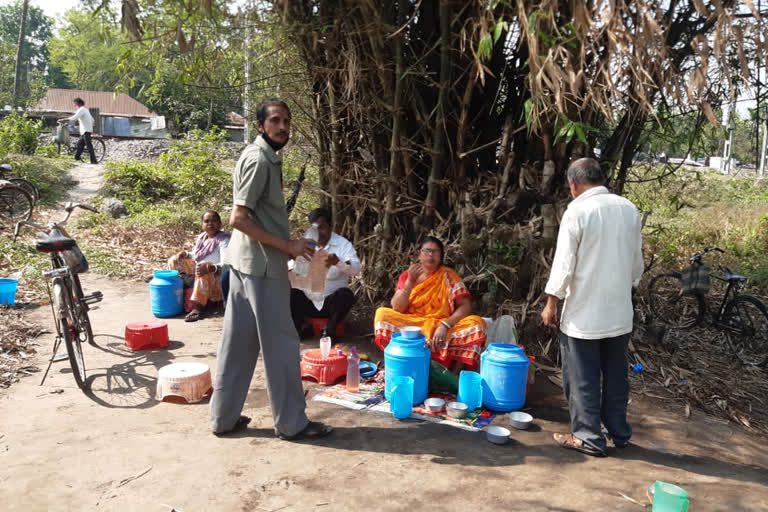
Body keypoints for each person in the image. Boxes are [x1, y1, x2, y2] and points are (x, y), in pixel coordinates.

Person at [209, 97, 333, 440]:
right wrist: (289, 246)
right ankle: (292, 423)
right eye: (275, 121)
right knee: (280, 344)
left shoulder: (263, 156)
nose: (282, 127)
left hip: (243, 264)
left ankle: (223, 418)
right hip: (261, 269)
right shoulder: (260, 160)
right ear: (261, 126)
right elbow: (238, 219)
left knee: (237, 344)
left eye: (286, 121)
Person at [541, 157, 644, 457]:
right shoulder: (628, 208)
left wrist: (551, 303)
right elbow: (636, 262)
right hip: (620, 312)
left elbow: (563, 265)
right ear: (600, 178)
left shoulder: (578, 211)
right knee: (615, 374)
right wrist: (625, 288)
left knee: (582, 376)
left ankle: (587, 437)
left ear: (573, 185)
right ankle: (619, 433)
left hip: (585, 314)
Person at [374, 236, 486, 373]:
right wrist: (409, 281)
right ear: (419, 254)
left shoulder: (449, 276)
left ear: (441, 256)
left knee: (476, 324)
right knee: (381, 314)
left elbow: (466, 306)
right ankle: (397, 365)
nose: (431, 255)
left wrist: (445, 325)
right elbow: (397, 307)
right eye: (427, 251)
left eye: (436, 252)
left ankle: (454, 375)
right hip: (413, 326)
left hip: (441, 327)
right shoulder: (408, 275)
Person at [290, 207, 360, 338]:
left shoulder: (342, 245)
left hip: (331, 305)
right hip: (308, 302)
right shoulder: (307, 244)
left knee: (346, 295)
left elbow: (356, 270)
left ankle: (330, 330)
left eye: (322, 228)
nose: (318, 233)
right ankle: (300, 328)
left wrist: (338, 263)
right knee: (289, 291)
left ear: (331, 226)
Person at [167, 211, 230, 323]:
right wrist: (185, 254)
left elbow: (227, 264)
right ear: (202, 224)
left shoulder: (224, 239)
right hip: (200, 269)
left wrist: (211, 267)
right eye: (206, 221)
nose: (210, 224)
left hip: (216, 277)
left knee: (202, 268)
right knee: (174, 260)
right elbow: (196, 255)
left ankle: (198, 308)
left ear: (220, 224)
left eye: (214, 221)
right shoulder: (202, 237)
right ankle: (174, 283)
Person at [61, 97, 97, 164]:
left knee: (89, 146)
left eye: (75, 104)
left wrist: (64, 119)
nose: (74, 106)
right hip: (85, 130)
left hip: (86, 130)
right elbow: (92, 120)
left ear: (79, 103)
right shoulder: (85, 110)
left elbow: (75, 117)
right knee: (80, 144)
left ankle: (94, 161)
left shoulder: (81, 109)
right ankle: (77, 158)